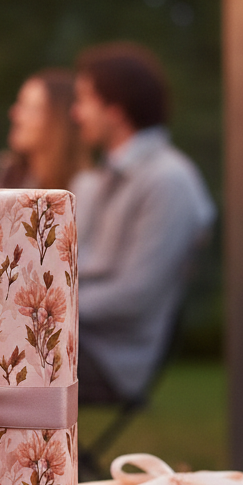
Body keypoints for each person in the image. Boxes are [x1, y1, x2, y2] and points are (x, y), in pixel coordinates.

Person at [71, 42, 216, 403]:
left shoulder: (168, 180)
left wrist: (43, 310)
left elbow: (135, 296)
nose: (75, 113)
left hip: (110, 361)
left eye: (85, 100)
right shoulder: (104, 177)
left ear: (116, 111)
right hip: (75, 341)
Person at [0, 68, 87, 190]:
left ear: (59, 121)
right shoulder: (8, 172)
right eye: (20, 103)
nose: (15, 114)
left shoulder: (83, 187)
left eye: (31, 109)